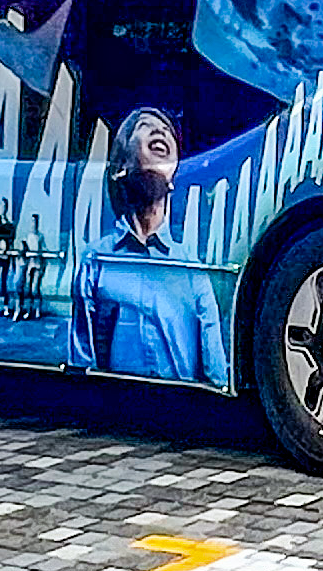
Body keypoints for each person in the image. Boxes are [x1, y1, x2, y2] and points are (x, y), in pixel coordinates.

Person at [67, 110, 225, 386]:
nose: (160, 131)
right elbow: (82, 358)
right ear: (121, 167)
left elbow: (214, 366)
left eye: (166, 129)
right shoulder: (96, 260)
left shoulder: (191, 269)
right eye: (145, 126)